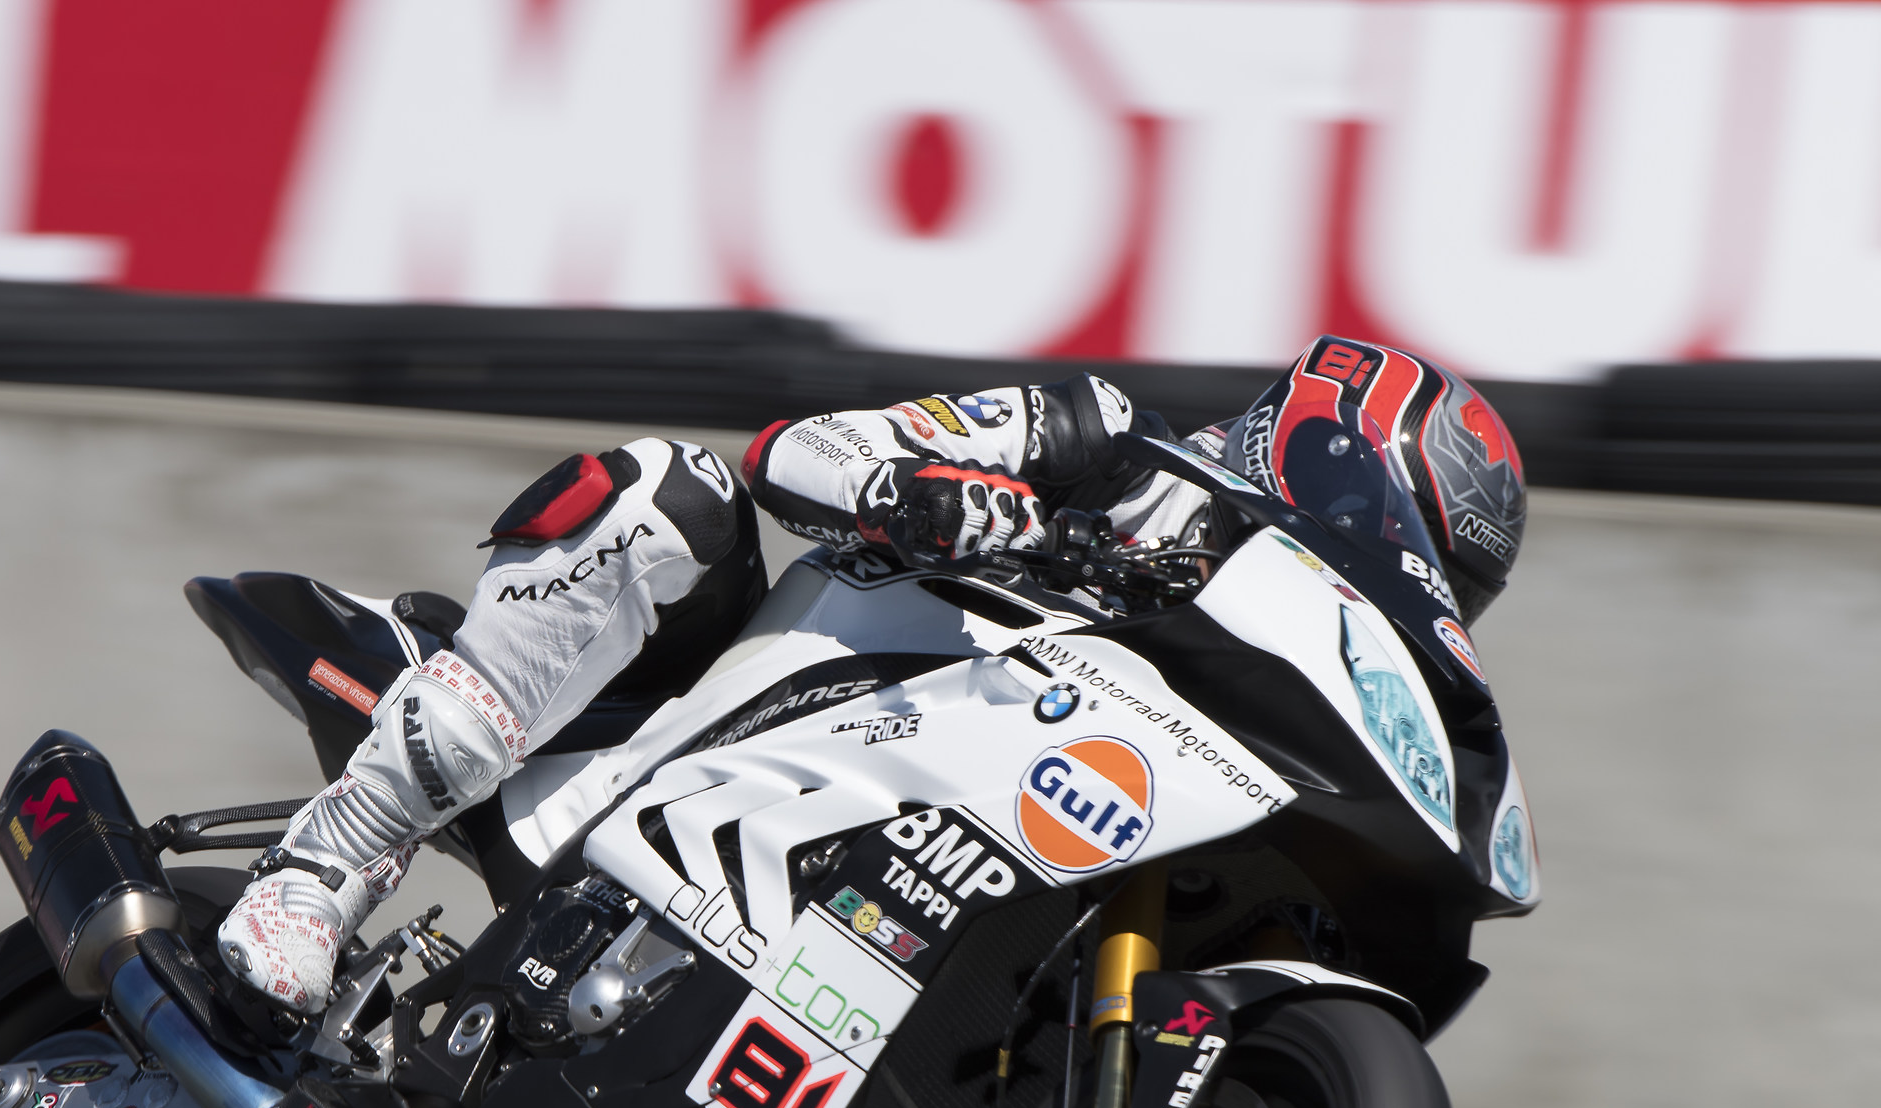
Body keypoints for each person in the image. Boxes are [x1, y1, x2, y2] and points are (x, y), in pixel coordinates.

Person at [215, 336, 1528, 1011]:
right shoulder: (1110, 440)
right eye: (1393, 526)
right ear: (1323, 452)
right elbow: (800, 448)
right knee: (678, 494)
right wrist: (929, 492)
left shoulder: (1263, 659)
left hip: (930, 846)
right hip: (716, 720)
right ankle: (328, 865)